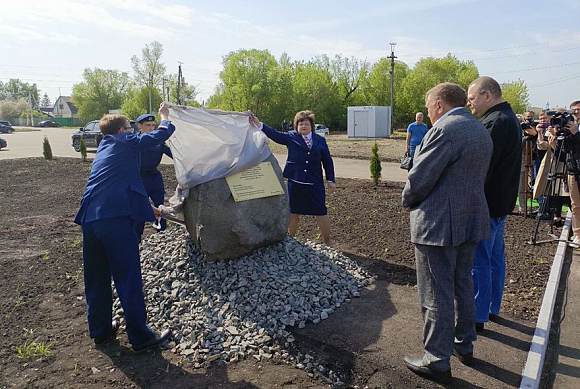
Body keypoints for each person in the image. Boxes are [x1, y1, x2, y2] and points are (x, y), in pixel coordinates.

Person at [402, 83, 493, 383]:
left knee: (435, 293)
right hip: (470, 220)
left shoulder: (443, 130)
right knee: (462, 283)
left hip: (438, 225)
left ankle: (437, 358)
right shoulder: (478, 128)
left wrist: (407, 199)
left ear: (439, 104)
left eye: (429, 106)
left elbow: (420, 178)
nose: (427, 112)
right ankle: (463, 343)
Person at [74, 104, 173, 353]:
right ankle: (139, 336)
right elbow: (158, 135)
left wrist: (149, 209)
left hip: (91, 220)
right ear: (122, 131)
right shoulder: (124, 141)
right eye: (131, 128)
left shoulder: (105, 149)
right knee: (128, 277)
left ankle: (101, 330)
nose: (133, 131)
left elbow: (125, 183)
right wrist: (165, 118)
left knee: (96, 277)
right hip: (115, 221)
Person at [467, 76, 522, 332]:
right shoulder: (508, 118)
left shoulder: (495, 122)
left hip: (487, 204)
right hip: (501, 203)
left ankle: (477, 317)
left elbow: (481, 168)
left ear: (487, 95)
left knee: (480, 261)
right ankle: (491, 307)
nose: (469, 104)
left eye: (472, 98)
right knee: (495, 258)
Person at [249, 110, 336, 245]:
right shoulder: (291, 137)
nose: (303, 126)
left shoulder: (321, 141)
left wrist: (330, 180)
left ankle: (328, 241)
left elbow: (327, 161)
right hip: (295, 182)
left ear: (311, 126)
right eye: (300, 124)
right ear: (296, 126)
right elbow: (275, 135)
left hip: (315, 183)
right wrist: (259, 124)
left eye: (306, 124)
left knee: (321, 211)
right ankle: (292, 240)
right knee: (293, 212)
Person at [133, 113, 173, 243]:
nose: (151, 128)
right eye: (147, 125)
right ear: (140, 126)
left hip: (154, 178)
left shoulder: (159, 142)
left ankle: (162, 238)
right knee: (139, 211)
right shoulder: (135, 142)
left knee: (160, 208)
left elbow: (174, 155)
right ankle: (137, 241)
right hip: (139, 180)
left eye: (153, 126)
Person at [561, 100, 580, 247]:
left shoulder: (575, 129)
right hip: (573, 169)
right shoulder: (570, 127)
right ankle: (578, 234)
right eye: (573, 110)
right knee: (576, 204)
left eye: (578, 110)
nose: (576, 113)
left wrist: (576, 134)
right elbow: (564, 151)